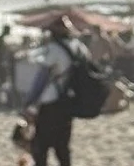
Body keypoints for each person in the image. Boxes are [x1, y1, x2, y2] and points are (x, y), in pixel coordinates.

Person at [22, 16, 89, 166]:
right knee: (62, 147)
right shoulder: (79, 47)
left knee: (40, 146)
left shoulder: (54, 49)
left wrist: (29, 101)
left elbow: (42, 79)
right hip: (69, 102)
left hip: (51, 102)